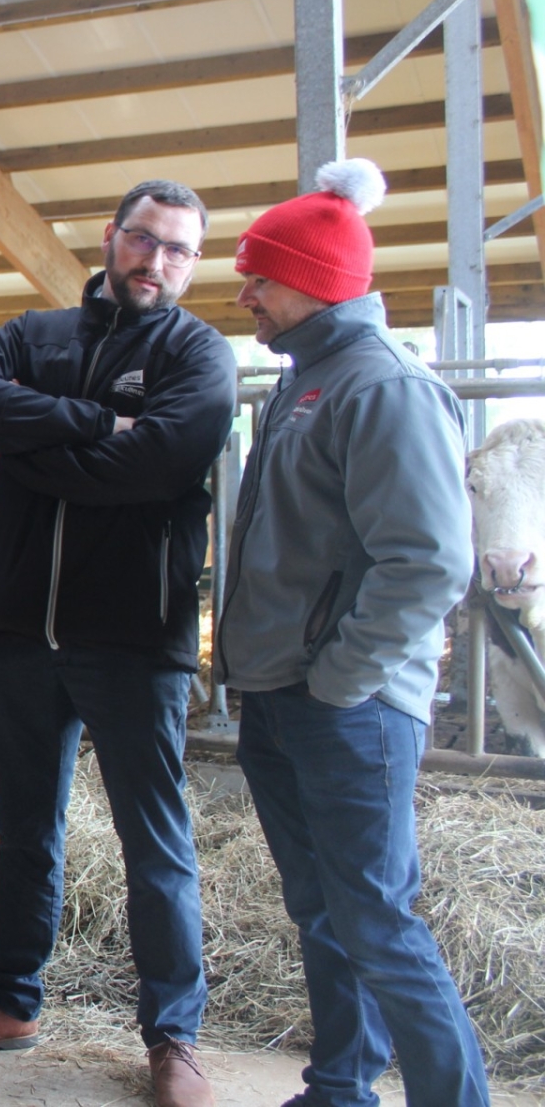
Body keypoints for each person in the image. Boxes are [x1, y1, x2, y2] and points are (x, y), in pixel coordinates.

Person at [0, 180, 236, 1107]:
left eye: (178, 250)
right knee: (24, 833)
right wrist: (95, 425)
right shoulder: (34, 335)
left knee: (154, 843)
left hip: (134, 637)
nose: (156, 261)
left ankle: (174, 1035)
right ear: (111, 237)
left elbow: (162, 463)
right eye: (143, 239)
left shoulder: (198, 354)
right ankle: (9, 1001)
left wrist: (37, 457)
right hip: (18, 632)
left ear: (193, 263)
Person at [216, 160, 489, 1107]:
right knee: (324, 910)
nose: (243, 290)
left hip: (349, 705)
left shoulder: (383, 389)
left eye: (260, 274)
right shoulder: (307, 380)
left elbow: (427, 561)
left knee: (377, 917)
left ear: (314, 279)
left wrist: (341, 677)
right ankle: (341, 1087)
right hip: (285, 693)